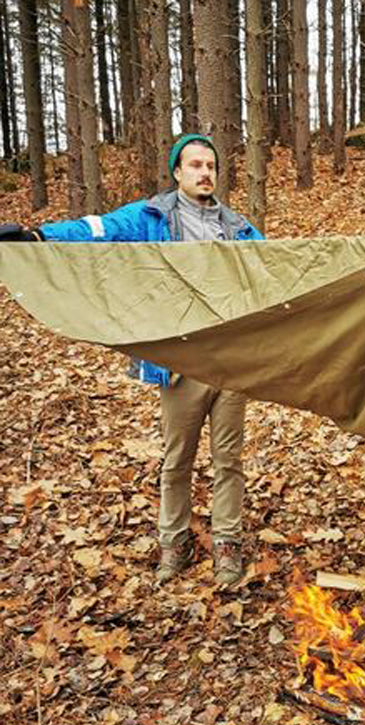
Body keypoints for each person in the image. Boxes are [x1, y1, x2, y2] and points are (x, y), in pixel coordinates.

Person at [0, 134, 264, 586]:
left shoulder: (237, 228)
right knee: (177, 460)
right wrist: (39, 236)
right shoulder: (152, 217)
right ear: (177, 173)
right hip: (180, 362)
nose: (205, 173)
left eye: (211, 166)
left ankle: (227, 545)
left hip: (231, 361)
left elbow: (277, 268)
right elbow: (98, 229)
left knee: (228, 461)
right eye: (195, 165)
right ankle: (173, 543)